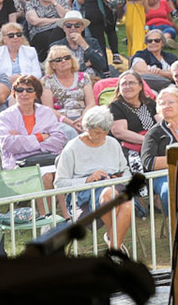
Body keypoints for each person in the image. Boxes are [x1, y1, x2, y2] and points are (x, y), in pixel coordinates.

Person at [49, 106, 134, 250]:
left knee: (124, 203)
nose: (101, 137)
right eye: (97, 132)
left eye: (105, 133)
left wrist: (116, 178)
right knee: (110, 194)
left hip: (115, 188)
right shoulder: (72, 148)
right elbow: (59, 184)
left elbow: (126, 172)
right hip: (85, 196)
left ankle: (113, 244)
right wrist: (86, 180)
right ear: (86, 127)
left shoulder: (113, 143)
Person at [0, 75, 73, 173]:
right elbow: (9, 144)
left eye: (29, 90)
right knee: (46, 176)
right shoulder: (5, 116)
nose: (24, 93)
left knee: (56, 174)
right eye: (20, 90)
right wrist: (40, 137)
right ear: (14, 93)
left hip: (48, 161)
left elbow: (59, 140)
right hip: (18, 165)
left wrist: (23, 140)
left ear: (37, 94)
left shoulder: (47, 112)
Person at [42, 45, 95, 129]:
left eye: (67, 58)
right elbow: (49, 109)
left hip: (83, 117)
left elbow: (91, 103)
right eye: (58, 60)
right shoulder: (46, 81)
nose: (64, 61)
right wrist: (69, 122)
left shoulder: (84, 77)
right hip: (60, 120)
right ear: (52, 65)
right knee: (70, 132)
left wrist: (83, 119)